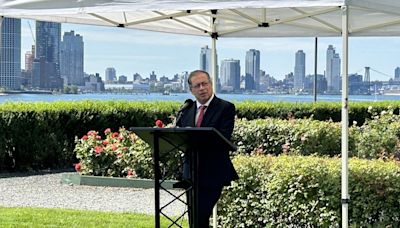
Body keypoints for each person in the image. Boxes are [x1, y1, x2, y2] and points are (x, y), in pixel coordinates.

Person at [175, 70, 239, 227]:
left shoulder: (225, 108)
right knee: (194, 219)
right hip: (191, 173)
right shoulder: (186, 110)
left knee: (200, 216)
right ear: (191, 90)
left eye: (205, 84)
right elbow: (180, 138)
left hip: (213, 172)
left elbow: (224, 138)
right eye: (197, 85)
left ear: (211, 84)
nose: (202, 88)